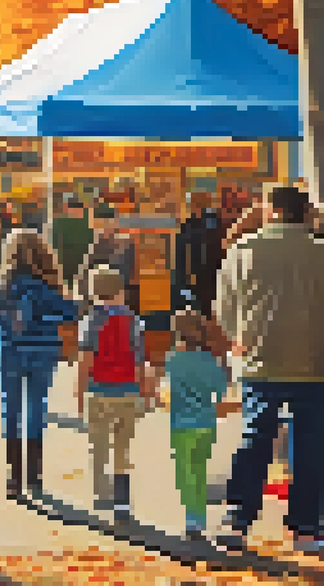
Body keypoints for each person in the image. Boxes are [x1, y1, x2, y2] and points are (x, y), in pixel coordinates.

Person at [213, 185, 324, 555]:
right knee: (310, 446)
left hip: (260, 361)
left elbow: (225, 310)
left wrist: (239, 340)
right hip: (315, 363)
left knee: (255, 439)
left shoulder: (243, 251)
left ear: (273, 210)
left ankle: (238, 520)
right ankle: (307, 528)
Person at [0, 228, 80, 502]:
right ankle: (34, 477)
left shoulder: (0, 286)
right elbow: (70, 313)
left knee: (9, 410)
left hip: (9, 351)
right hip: (42, 351)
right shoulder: (47, 286)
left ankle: (13, 478)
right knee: (37, 407)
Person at [75, 266, 153, 522]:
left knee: (98, 446)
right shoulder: (133, 321)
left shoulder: (90, 320)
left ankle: (101, 495)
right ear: (120, 291)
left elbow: (85, 359)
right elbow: (141, 360)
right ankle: (122, 502)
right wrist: (144, 391)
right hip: (128, 391)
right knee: (122, 448)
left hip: (98, 391)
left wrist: (79, 391)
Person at [164, 309, 231, 541]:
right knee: (200, 470)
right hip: (206, 422)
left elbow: (166, 392)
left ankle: (190, 519)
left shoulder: (172, 360)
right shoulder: (210, 361)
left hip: (180, 424)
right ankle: (199, 517)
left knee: (185, 471)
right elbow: (220, 391)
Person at [174, 194, 225, 313]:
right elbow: (181, 254)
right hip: (195, 276)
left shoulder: (214, 221)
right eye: (195, 203)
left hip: (213, 275)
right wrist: (183, 279)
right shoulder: (187, 225)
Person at [52, 198, 93, 289]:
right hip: (82, 266)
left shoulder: (59, 223)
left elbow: (54, 246)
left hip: (64, 266)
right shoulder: (87, 224)